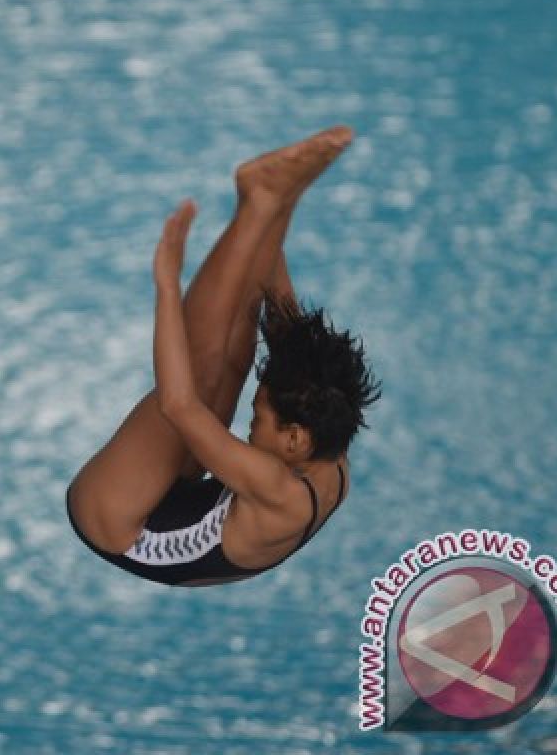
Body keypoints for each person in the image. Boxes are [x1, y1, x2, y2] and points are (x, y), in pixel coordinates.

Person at [65, 126, 381, 588]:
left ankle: (259, 205)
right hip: (185, 501)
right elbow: (284, 319)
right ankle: (270, 200)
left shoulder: (278, 488)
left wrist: (168, 285)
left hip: (117, 523)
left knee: (205, 367)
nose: (248, 421)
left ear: (293, 440)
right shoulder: (325, 444)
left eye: (258, 418)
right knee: (243, 353)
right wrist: (286, 203)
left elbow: (177, 403)